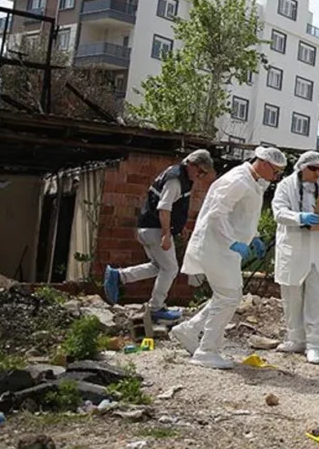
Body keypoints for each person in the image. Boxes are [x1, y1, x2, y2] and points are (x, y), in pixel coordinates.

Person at [168, 146, 287, 369]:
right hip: (216, 246)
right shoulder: (238, 180)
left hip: (225, 249)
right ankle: (206, 351)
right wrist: (232, 241)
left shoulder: (252, 181)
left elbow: (243, 216)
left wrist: (254, 238)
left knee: (226, 294)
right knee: (230, 296)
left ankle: (189, 330)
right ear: (262, 163)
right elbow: (217, 214)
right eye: (276, 171)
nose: (276, 177)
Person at [102, 149, 214, 321]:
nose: (200, 176)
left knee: (158, 266)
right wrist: (166, 234)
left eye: (204, 173)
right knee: (170, 269)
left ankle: (119, 276)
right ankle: (156, 308)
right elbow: (164, 207)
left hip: (148, 228)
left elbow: (174, 207)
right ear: (190, 164)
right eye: (200, 171)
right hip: (155, 229)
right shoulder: (176, 180)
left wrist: (179, 226)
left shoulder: (179, 176)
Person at [271, 151, 319, 364]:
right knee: (291, 295)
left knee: (317, 297)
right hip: (294, 248)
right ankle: (295, 339)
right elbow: (279, 212)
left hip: (318, 248)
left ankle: (314, 344)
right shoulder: (286, 186)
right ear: (301, 167)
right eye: (313, 168)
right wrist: (300, 217)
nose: (317, 173)